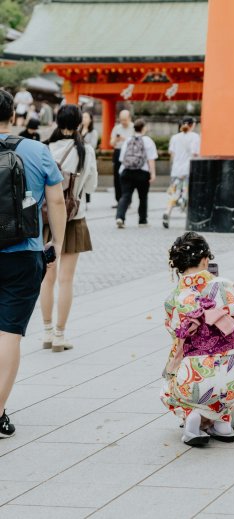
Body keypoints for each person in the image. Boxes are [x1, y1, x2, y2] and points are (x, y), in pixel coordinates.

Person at [0, 89, 66, 437]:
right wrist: (56, 243)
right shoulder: (37, 150)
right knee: (9, 334)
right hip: (24, 253)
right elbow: (56, 201)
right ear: (14, 116)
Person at [160, 232, 234, 446]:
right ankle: (222, 422)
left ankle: (192, 417)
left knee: (170, 383)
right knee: (223, 374)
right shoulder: (225, 286)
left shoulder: (174, 299)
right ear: (205, 260)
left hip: (194, 380)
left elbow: (174, 332)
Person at [40, 104, 98, 352]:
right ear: (79, 124)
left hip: (46, 220)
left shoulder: (44, 149)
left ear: (56, 121)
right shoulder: (86, 150)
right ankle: (61, 336)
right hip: (74, 219)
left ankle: (47, 331)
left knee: (47, 278)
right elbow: (91, 186)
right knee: (66, 279)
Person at [115, 118, 157, 228]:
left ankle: (120, 217)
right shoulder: (148, 141)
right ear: (144, 128)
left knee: (125, 196)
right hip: (142, 173)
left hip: (127, 172)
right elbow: (151, 159)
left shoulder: (128, 140)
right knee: (143, 197)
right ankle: (142, 221)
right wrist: (153, 174)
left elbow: (121, 159)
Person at [162, 116, 200, 229]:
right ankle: (186, 210)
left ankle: (167, 211)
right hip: (188, 169)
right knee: (186, 193)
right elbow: (195, 154)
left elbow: (172, 154)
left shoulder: (175, 137)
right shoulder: (195, 137)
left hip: (176, 170)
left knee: (174, 193)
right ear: (191, 125)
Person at [110, 110, 133, 207]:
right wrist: (116, 139)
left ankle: (127, 200)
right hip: (118, 152)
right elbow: (111, 143)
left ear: (129, 118)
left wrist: (125, 139)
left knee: (129, 178)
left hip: (130, 153)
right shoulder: (117, 128)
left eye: (125, 120)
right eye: (121, 120)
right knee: (117, 177)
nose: (123, 122)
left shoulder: (133, 128)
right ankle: (119, 200)